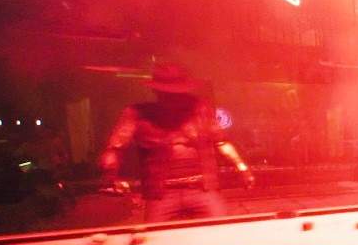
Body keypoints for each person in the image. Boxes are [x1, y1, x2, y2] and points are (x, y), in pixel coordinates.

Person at [98, 62, 254, 222]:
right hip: (162, 193)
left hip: (202, 188)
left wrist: (242, 168)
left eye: (176, 92)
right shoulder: (138, 114)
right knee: (156, 235)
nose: (173, 97)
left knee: (221, 229)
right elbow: (115, 147)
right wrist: (110, 176)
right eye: (167, 93)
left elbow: (221, 142)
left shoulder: (200, 110)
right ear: (157, 91)